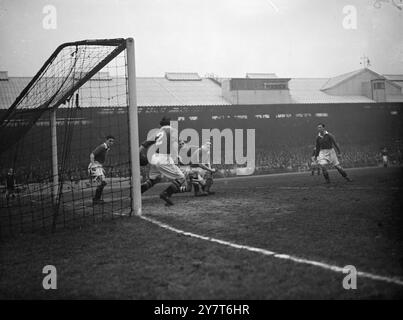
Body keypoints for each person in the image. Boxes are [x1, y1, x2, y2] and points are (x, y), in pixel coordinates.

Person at [140, 116, 190, 206]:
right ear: (170, 124)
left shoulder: (157, 132)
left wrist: (138, 155)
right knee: (181, 177)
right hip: (164, 158)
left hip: (154, 157)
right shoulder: (173, 131)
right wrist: (176, 158)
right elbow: (176, 146)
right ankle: (166, 194)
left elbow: (144, 144)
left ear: (160, 124)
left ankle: (138, 193)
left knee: (155, 179)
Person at [88, 135, 115, 204]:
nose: (111, 142)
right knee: (102, 182)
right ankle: (96, 199)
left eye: (112, 141)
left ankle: (96, 199)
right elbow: (92, 155)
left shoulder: (107, 148)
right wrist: (94, 165)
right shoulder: (102, 147)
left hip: (99, 166)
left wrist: (101, 168)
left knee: (103, 183)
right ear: (106, 140)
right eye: (110, 141)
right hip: (95, 166)